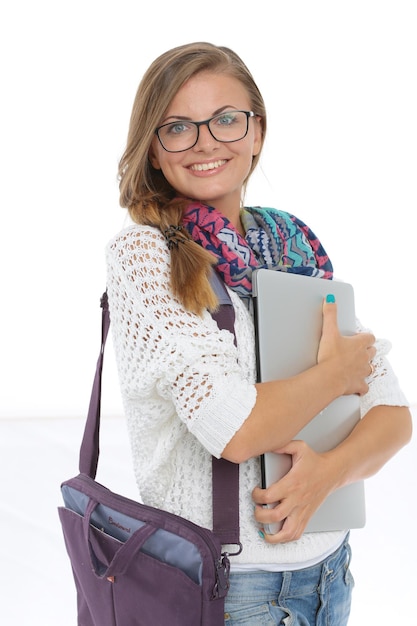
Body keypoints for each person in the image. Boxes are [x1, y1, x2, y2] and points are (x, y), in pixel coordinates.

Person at [105, 42, 412, 625]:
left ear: (256, 132)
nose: (206, 142)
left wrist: (329, 472)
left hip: (330, 573)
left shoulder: (290, 250)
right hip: (229, 589)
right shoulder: (145, 256)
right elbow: (237, 429)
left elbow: (393, 414)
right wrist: (336, 375)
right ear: (152, 147)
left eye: (225, 119)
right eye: (178, 127)